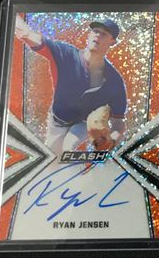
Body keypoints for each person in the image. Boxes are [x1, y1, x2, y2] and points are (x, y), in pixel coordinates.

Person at [14, 14, 127, 155]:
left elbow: (118, 122)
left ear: (112, 41)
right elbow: (34, 39)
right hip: (58, 120)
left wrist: (112, 141)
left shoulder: (115, 81)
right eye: (95, 31)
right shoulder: (66, 54)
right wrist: (20, 26)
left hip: (83, 124)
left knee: (69, 147)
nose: (97, 35)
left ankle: (79, 165)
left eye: (103, 34)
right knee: (53, 159)